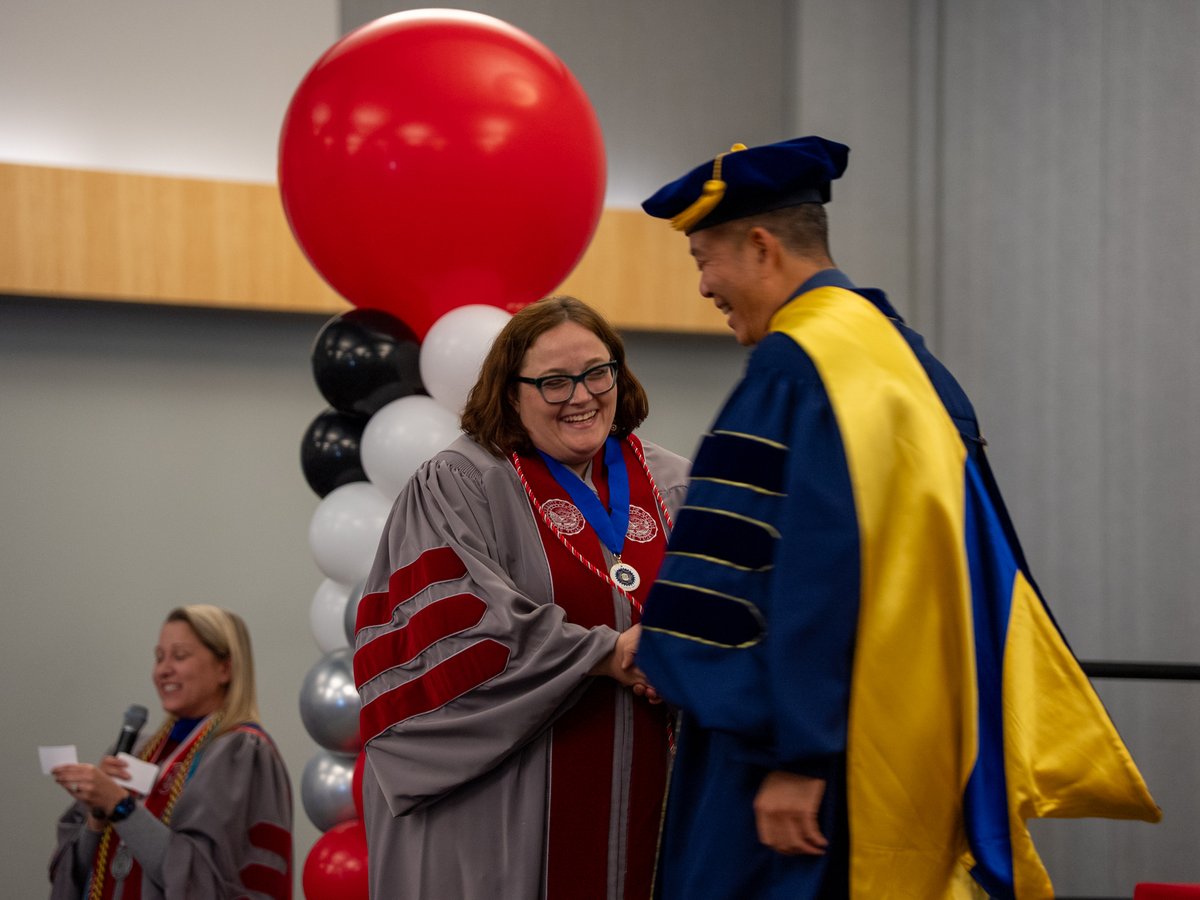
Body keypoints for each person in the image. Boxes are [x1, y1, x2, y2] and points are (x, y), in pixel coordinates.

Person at [634, 136, 1160, 898]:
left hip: (799, 754)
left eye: (704, 260)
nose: (707, 286)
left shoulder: (800, 370)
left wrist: (794, 755)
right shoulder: (905, 363)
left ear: (759, 246)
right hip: (904, 734)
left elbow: (812, 574)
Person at [353, 295, 690, 899]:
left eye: (596, 372)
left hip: (658, 805)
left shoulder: (675, 485)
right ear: (511, 392)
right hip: (507, 816)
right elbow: (453, 642)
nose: (582, 396)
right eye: (554, 383)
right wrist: (607, 655)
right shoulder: (462, 484)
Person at [49, 605, 293, 899]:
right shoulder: (139, 751)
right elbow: (69, 879)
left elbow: (201, 880)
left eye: (180, 656)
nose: (163, 670)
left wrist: (121, 807)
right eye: (159, 657)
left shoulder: (241, 753)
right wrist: (96, 816)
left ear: (224, 668)